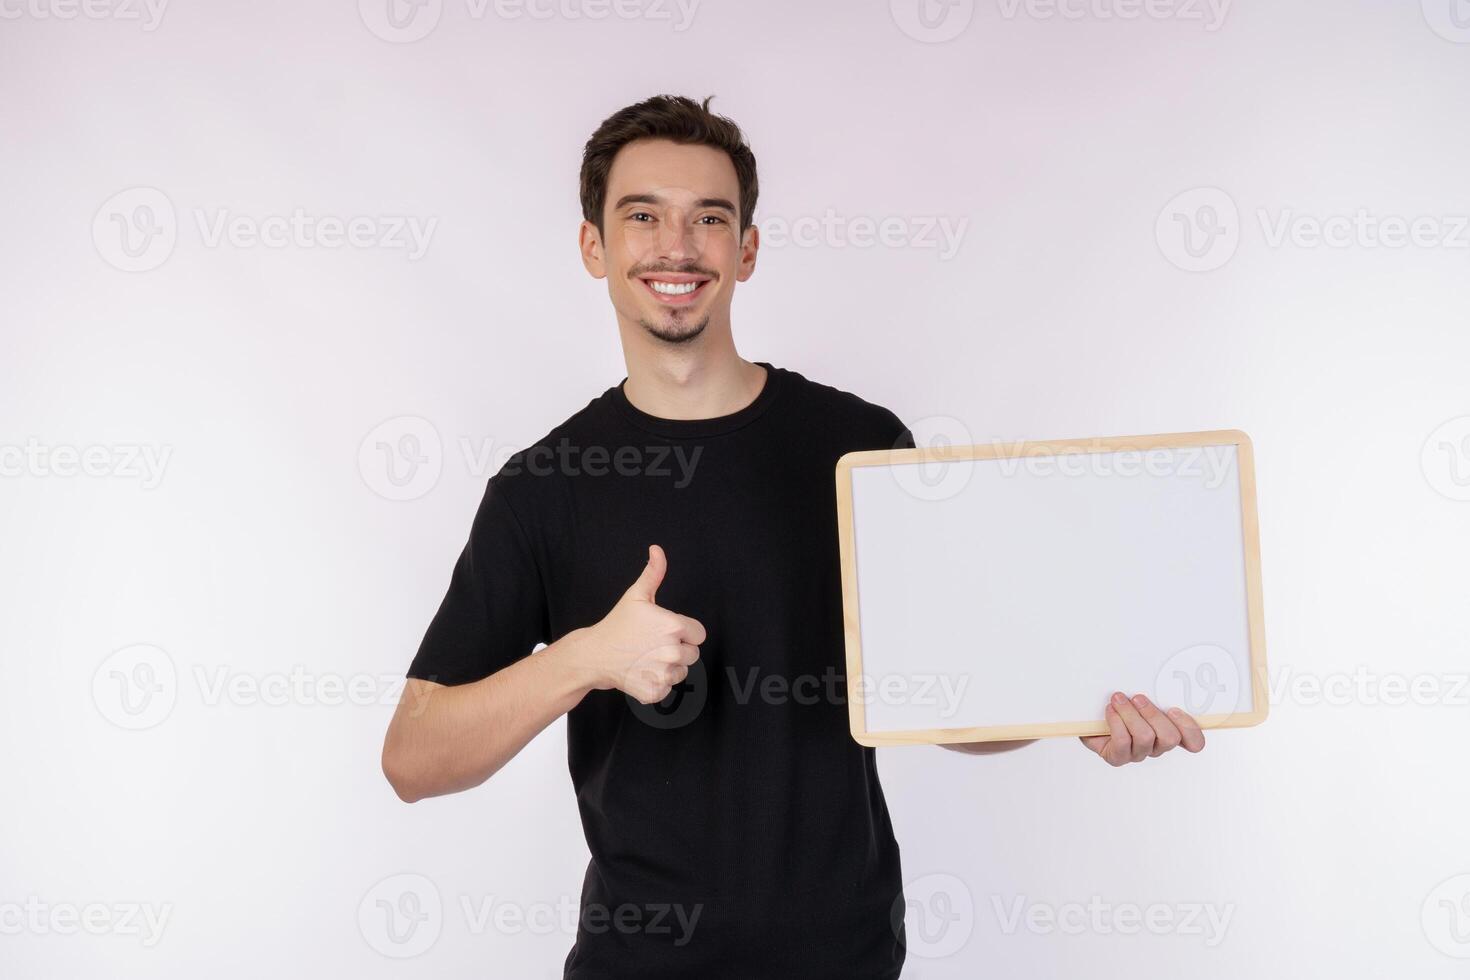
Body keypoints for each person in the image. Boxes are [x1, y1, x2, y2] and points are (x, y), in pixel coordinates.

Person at [380, 93, 1207, 979]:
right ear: (595, 246)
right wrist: (584, 658)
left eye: (709, 218)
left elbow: (948, 703)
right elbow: (413, 757)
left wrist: (1073, 708)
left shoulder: (859, 448)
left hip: (844, 959)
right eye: (643, 216)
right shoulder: (541, 489)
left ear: (747, 248)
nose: (677, 246)